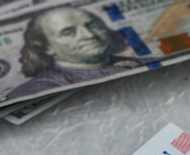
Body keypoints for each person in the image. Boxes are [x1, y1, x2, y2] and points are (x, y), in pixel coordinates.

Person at [11, 6, 145, 98]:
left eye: (93, 26)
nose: (89, 35)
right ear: (46, 47)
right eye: (68, 33)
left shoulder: (144, 63)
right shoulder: (41, 88)